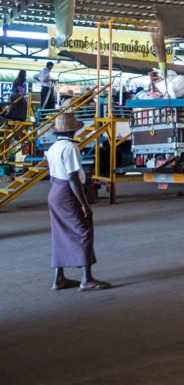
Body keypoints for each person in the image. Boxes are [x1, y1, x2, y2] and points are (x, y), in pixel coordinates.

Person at [46, 112, 110, 291]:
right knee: (83, 232)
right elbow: (73, 178)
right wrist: (84, 204)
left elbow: (52, 178)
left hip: (55, 192)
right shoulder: (70, 148)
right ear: (73, 131)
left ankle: (59, 278)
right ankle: (86, 279)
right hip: (67, 192)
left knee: (60, 233)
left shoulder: (52, 148)